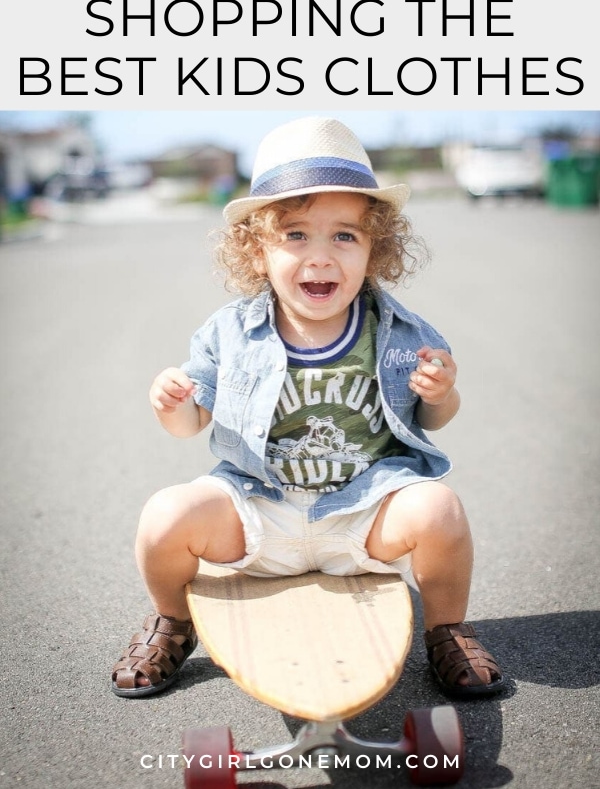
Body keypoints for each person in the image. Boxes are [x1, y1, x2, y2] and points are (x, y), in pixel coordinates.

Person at [111, 116, 504, 700]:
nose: (320, 258)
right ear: (257, 250)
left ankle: (446, 629)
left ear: (375, 249)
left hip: (363, 514)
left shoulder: (397, 331)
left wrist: (441, 394)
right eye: (296, 235)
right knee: (165, 515)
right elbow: (188, 425)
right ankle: (172, 621)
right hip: (257, 512)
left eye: (344, 235)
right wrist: (171, 403)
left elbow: (431, 422)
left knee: (440, 510)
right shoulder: (231, 333)